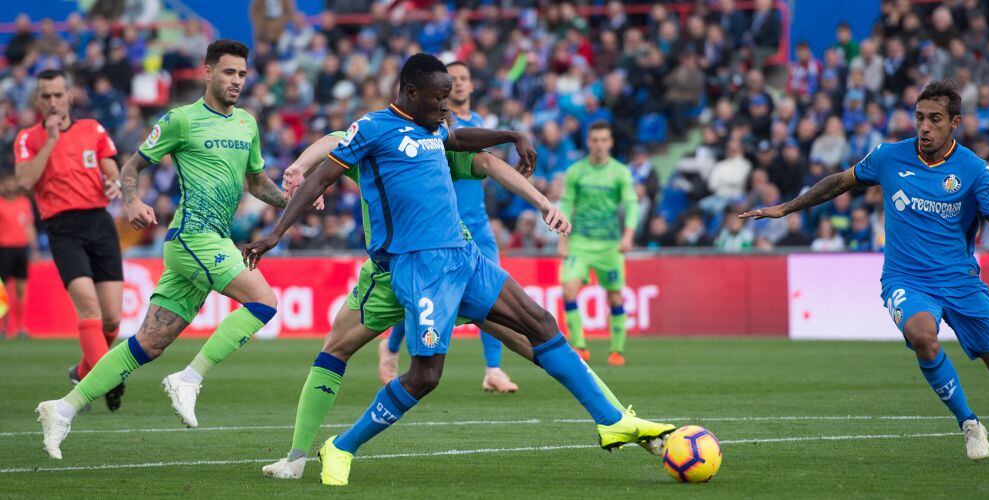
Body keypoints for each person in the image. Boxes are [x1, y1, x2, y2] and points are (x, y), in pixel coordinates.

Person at [244, 54, 672, 486]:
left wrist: (512, 134)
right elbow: (323, 175)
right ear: (411, 93)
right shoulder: (372, 129)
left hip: (464, 257)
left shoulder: (433, 127)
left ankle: (611, 419)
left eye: (449, 96)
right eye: (439, 97)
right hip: (418, 267)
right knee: (426, 375)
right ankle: (341, 446)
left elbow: (463, 141)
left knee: (540, 323)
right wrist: (277, 232)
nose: (446, 106)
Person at [742, 81, 989, 463]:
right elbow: (840, 181)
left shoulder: (974, 170)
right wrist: (787, 208)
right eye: (920, 117)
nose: (924, 127)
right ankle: (970, 424)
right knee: (923, 336)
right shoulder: (889, 157)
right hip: (906, 279)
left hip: (960, 281)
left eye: (935, 119)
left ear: (955, 122)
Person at [36, 40, 289, 460]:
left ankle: (62, 408)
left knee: (148, 344)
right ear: (207, 73)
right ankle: (190, 378)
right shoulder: (181, 120)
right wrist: (131, 201)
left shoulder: (247, 124)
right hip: (193, 238)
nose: (237, 81)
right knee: (264, 301)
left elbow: (257, 183)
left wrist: (295, 201)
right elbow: (133, 165)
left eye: (242, 74)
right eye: (228, 72)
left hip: (213, 241)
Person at [378, 61, 519, 393]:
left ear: (471, 86)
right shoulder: (432, 125)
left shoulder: (479, 123)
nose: (458, 84)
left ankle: (494, 370)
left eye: (464, 78)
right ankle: (392, 345)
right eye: (452, 79)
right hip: (440, 229)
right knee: (419, 301)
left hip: (478, 225)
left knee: (494, 294)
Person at [14, 69, 126, 412]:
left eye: (58, 95)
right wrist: (50, 140)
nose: (52, 102)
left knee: (111, 319)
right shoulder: (28, 138)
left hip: (99, 223)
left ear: (69, 97)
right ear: (37, 100)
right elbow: (24, 180)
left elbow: (111, 170)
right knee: (89, 309)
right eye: (45, 96)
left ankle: (82, 372)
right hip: (63, 228)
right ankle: (109, 378)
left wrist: (113, 184)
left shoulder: (92, 129)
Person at [558, 121, 639, 366]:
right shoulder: (575, 172)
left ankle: (617, 350)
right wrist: (563, 239)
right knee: (568, 289)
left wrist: (627, 236)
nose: (599, 145)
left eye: (604, 140)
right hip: (580, 243)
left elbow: (632, 205)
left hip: (609, 246)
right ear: (588, 142)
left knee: (614, 297)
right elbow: (566, 205)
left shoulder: (620, 172)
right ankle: (580, 346)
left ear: (611, 142)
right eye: (595, 140)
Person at [0, 170, 35, 339]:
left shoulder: (24, 202)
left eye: (12, 181)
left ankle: (21, 327)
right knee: (3, 291)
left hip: (21, 249)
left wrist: (34, 248)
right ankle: (3, 328)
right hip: (4, 249)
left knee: (21, 289)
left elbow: (29, 226)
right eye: (6, 182)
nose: (9, 185)